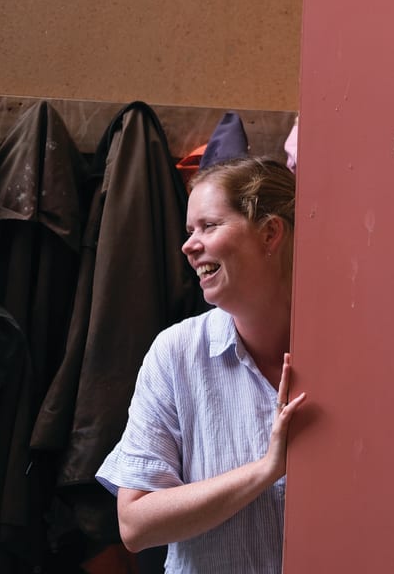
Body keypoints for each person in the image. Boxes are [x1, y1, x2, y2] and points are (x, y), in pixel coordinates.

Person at [96, 156, 306, 573]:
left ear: (269, 233)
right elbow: (135, 525)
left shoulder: (348, 353)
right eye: (190, 230)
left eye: (209, 226)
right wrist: (266, 471)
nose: (189, 246)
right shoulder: (176, 353)